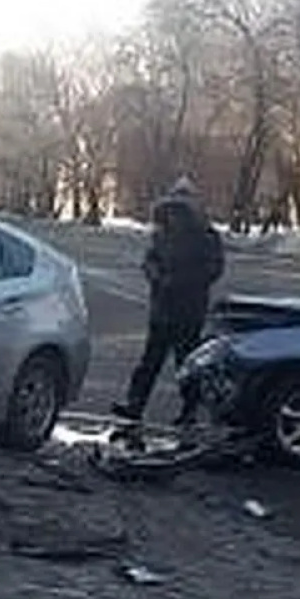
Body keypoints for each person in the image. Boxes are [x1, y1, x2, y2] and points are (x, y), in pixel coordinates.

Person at [113, 177, 224, 424]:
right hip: (162, 307)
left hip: (188, 308)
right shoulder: (163, 233)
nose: (175, 215)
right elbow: (150, 260)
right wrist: (155, 275)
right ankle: (135, 404)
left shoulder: (205, 236)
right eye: (173, 209)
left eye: (180, 209)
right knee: (150, 361)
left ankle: (190, 410)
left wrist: (180, 280)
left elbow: (213, 269)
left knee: (186, 362)